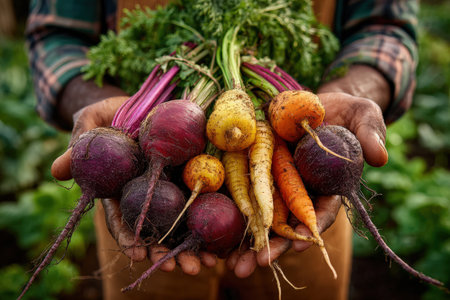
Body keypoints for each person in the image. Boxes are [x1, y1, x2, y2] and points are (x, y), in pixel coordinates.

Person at [26, 0, 418, 299]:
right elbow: (56, 36)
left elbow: (386, 27)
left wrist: (354, 94)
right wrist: (97, 105)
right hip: (138, 181)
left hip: (306, 182)